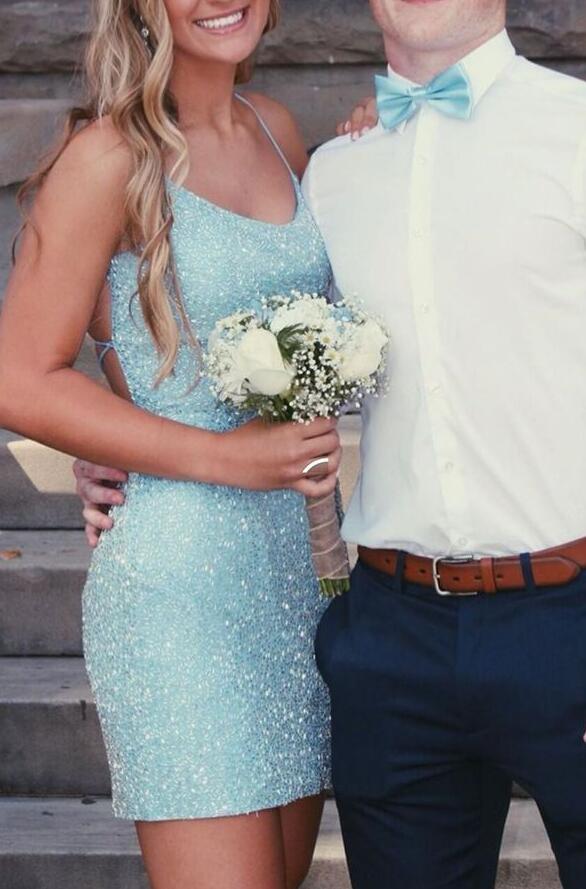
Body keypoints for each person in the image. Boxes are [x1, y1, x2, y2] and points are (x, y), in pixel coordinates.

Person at [0, 3, 344, 888]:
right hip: (180, 590)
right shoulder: (109, 159)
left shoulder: (278, 131)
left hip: (300, 577)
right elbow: (21, 377)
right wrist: (224, 456)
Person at [303, 1, 586, 887]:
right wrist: (120, 438)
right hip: (394, 637)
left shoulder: (576, 130)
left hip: (571, 607)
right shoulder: (332, 173)